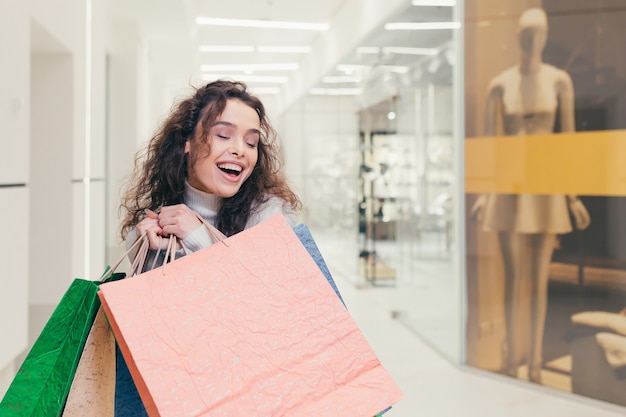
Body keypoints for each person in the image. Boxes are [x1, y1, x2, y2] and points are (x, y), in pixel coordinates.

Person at [470, 7, 590, 384]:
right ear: (517, 37)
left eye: (537, 32)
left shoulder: (559, 81)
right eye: (524, 32)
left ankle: (535, 361)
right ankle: (510, 359)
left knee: (538, 281)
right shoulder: (500, 84)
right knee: (512, 278)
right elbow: (490, 147)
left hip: (545, 185)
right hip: (510, 186)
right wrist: (485, 193)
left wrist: (571, 195)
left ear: (546, 35)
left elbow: (568, 143)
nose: (531, 39)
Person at [119, 80, 302, 268]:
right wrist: (147, 248)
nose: (240, 150)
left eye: (251, 142)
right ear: (186, 141)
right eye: (223, 135)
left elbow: (266, 290)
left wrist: (198, 238)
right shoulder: (156, 228)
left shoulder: (271, 216)